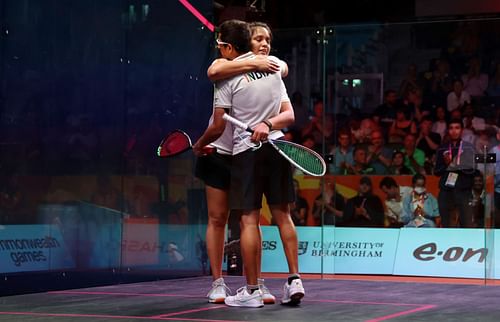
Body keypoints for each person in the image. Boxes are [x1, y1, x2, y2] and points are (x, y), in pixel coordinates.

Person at [203, 20, 303, 308]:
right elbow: (214, 69)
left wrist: (199, 144)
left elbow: (220, 123)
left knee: (249, 218)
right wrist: (256, 64)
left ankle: (254, 286)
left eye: (268, 40)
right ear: (248, 43)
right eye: (259, 38)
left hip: (246, 150)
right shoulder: (233, 69)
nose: (264, 44)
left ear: (230, 45)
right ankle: (220, 283)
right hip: (225, 153)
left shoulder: (270, 67)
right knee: (220, 218)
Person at [434, 118, 476, 227]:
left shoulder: (469, 148)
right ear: (448, 130)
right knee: (446, 222)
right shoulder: (442, 148)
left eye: (457, 128)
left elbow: (472, 170)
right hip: (446, 190)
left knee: (466, 223)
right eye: (451, 128)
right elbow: (437, 171)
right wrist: (446, 164)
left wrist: (454, 164)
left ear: (462, 130)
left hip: (463, 190)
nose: (454, 131)